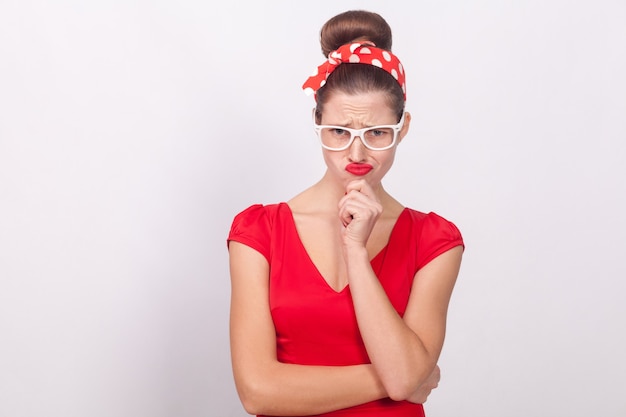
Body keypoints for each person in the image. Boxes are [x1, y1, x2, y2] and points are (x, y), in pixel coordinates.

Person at [227, 9, 464, 417]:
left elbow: (407, 376)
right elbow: (258, 393)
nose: (356, 153)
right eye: (339, 132)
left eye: (376, 133)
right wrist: (397, 377)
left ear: (402, 128)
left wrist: (356, 251)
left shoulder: (434, 241)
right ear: (317, 122)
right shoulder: (258, 232)